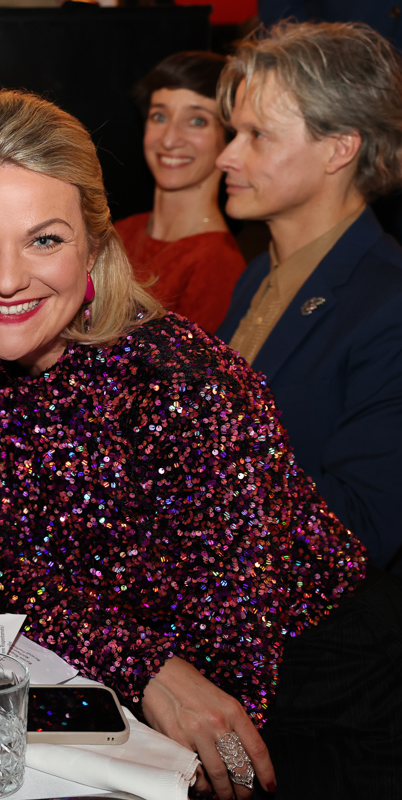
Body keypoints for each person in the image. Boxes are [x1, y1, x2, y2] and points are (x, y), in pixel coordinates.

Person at [0, 88, 402, 799]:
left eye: (44, 239)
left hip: (322, 699)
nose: (5, 279)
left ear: (94, 245)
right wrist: (140, 662)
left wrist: (137, 668)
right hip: (160, 679)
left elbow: (232, 664)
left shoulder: (178, 386)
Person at [214, 21, 402, 576]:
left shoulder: (389, 304)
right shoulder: (259, 274)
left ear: (339, 149)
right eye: (234, 132)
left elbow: (363, 528)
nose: (226, 157)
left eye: (258, 135)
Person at [114, 51, 245, 333]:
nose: (170, 139)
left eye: (197, 121)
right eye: (159, 116)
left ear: (228, 138)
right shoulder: (120, 232)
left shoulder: (217, 263)